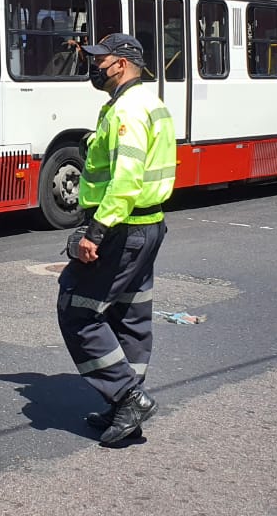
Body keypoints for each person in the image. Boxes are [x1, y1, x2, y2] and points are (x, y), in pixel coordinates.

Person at [57, 33, 176, 445]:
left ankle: (127, 396)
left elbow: (126, 177)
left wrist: (97, 230)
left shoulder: (127, 108)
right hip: (148, 226)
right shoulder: (150, 103)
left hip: (122, 228)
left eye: (100, 60)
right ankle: (124, 404)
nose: (94, 67)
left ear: (121, 64)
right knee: (129, 316)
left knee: (77, 309)